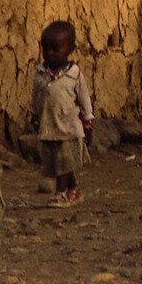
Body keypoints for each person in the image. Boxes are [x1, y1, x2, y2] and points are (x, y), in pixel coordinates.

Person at [32, 20, 94, 207]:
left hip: (68, 128)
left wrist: (88, 122)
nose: (50, 53)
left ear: (70, 49)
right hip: (49, 126)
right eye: (46, 49)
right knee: (59, 163)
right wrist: (35, 116)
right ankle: (73, 189)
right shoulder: (40, 74)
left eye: (55, 48)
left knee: (64, 160)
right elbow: (36, 97)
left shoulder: (73, 74)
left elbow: (84, 99)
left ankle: (60, 193)